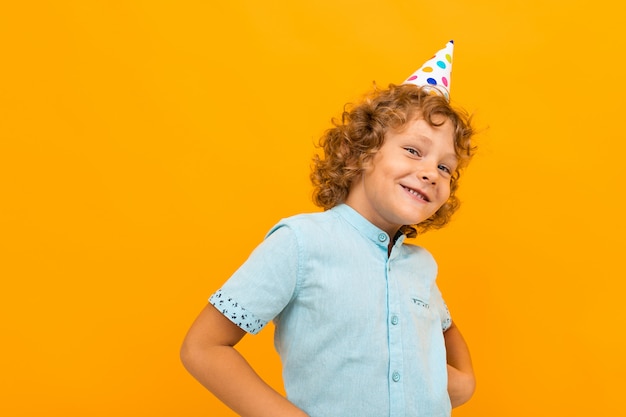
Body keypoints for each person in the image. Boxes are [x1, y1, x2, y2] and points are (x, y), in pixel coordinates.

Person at [181, 41, 476, 417]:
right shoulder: (301, 243)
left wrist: (463, 381)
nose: (430, 172)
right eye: (414, 151)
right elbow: (204, 347)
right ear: (360, 152)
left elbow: (439, 336)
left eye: (445, 167)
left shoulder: (419, 266)